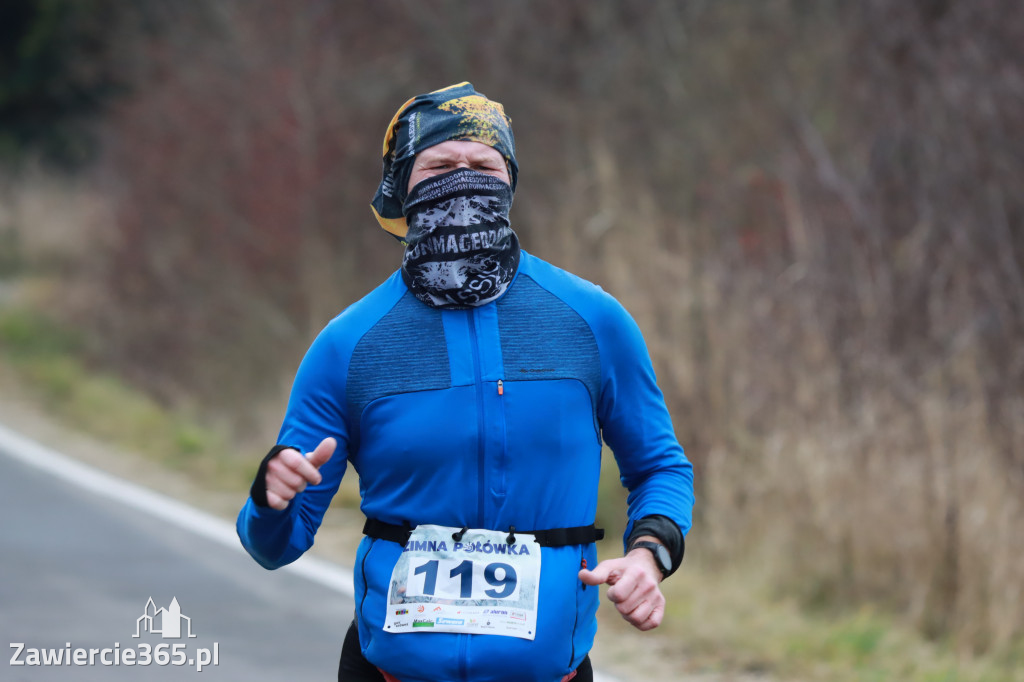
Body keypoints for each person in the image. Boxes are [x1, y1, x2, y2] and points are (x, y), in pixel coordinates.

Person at [236, 82, 694, 682]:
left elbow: (661, 466)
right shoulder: (350, 345)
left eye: (483, 165)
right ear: (403, 185)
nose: (463, 179)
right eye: (441, 165)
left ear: (510, 182)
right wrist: (272, 498)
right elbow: (276, 547)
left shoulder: (592, 322)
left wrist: (648, 556)